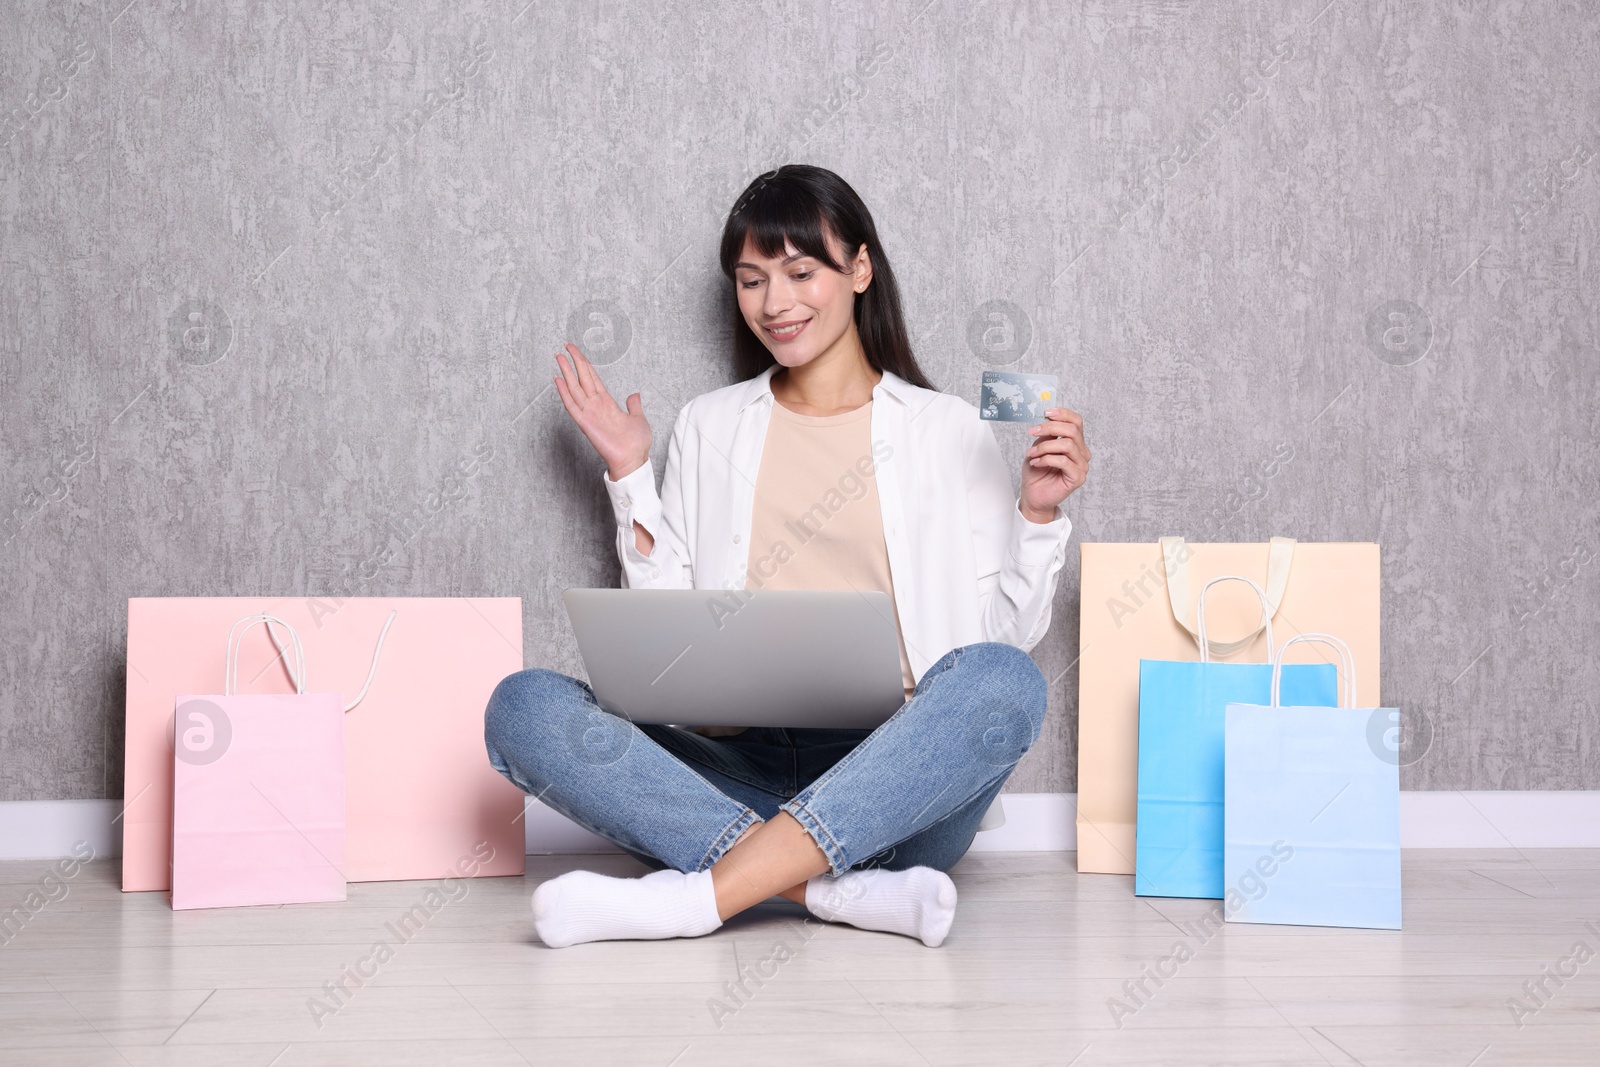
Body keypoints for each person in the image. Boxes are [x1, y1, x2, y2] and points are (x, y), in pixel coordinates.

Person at [484, 163, 1089, 949]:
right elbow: (671, 639)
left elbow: (997, 644)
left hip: (896, 783)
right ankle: (836, 892)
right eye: (752, 279)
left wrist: (1038, 515)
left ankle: (698, 897)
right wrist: (632, 475)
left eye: (801, 272)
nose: (775, 303)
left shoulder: (945, 430)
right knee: (523, 706)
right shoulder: (710, 425)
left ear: (859, 270)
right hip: (736, 766)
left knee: (1005, 683)